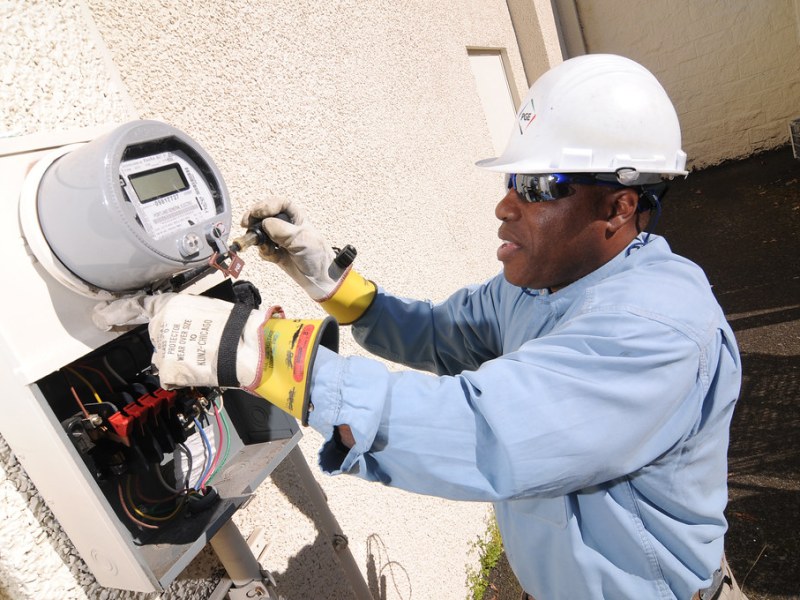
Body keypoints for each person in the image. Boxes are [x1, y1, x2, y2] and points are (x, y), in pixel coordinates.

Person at [94, 54, 748, 600]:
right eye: (510, 179)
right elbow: (437, 335)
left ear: (619, 206)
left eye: (536, 184)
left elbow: (484, 434)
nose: (504, 204)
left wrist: (259, 355)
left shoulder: (655, 331)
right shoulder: (542, 288)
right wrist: (326, 279)